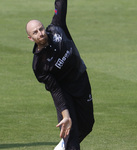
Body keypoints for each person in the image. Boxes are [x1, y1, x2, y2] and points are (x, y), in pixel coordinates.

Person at [26, 0, 94, 149]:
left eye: (41, 29)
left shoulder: (57, 28)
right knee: (71, 132)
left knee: (88, 125)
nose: (40, 33)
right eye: (35, 32)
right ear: (31, 38)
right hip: (64, 92)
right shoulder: (39, 65)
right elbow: (55, 90)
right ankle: (69, 144)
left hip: (81, 80)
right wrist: (66, 115)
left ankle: (63, 146)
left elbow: (61, 4)